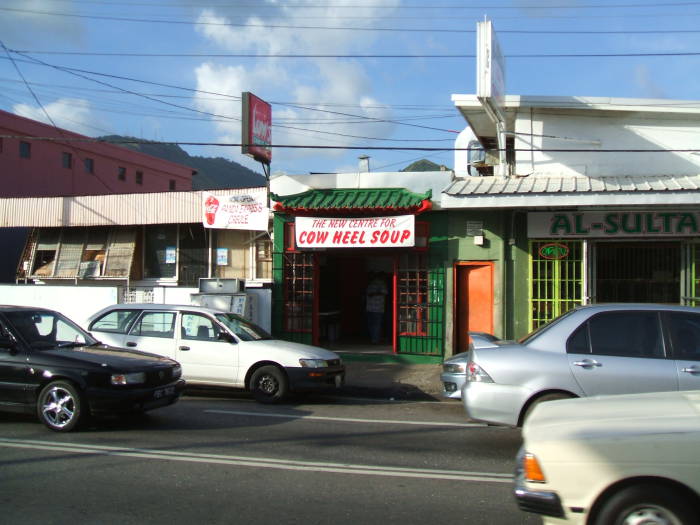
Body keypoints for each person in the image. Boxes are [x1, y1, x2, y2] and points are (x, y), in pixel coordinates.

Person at [366, 272, 388, 344]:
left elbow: (384, 292)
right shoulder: (371, 283)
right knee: (373, 324)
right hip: (373, 308)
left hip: (376, 308)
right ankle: (374, 339)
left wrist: (373, 293)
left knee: (375, 324)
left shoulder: (380, 283)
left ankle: (375, 340)